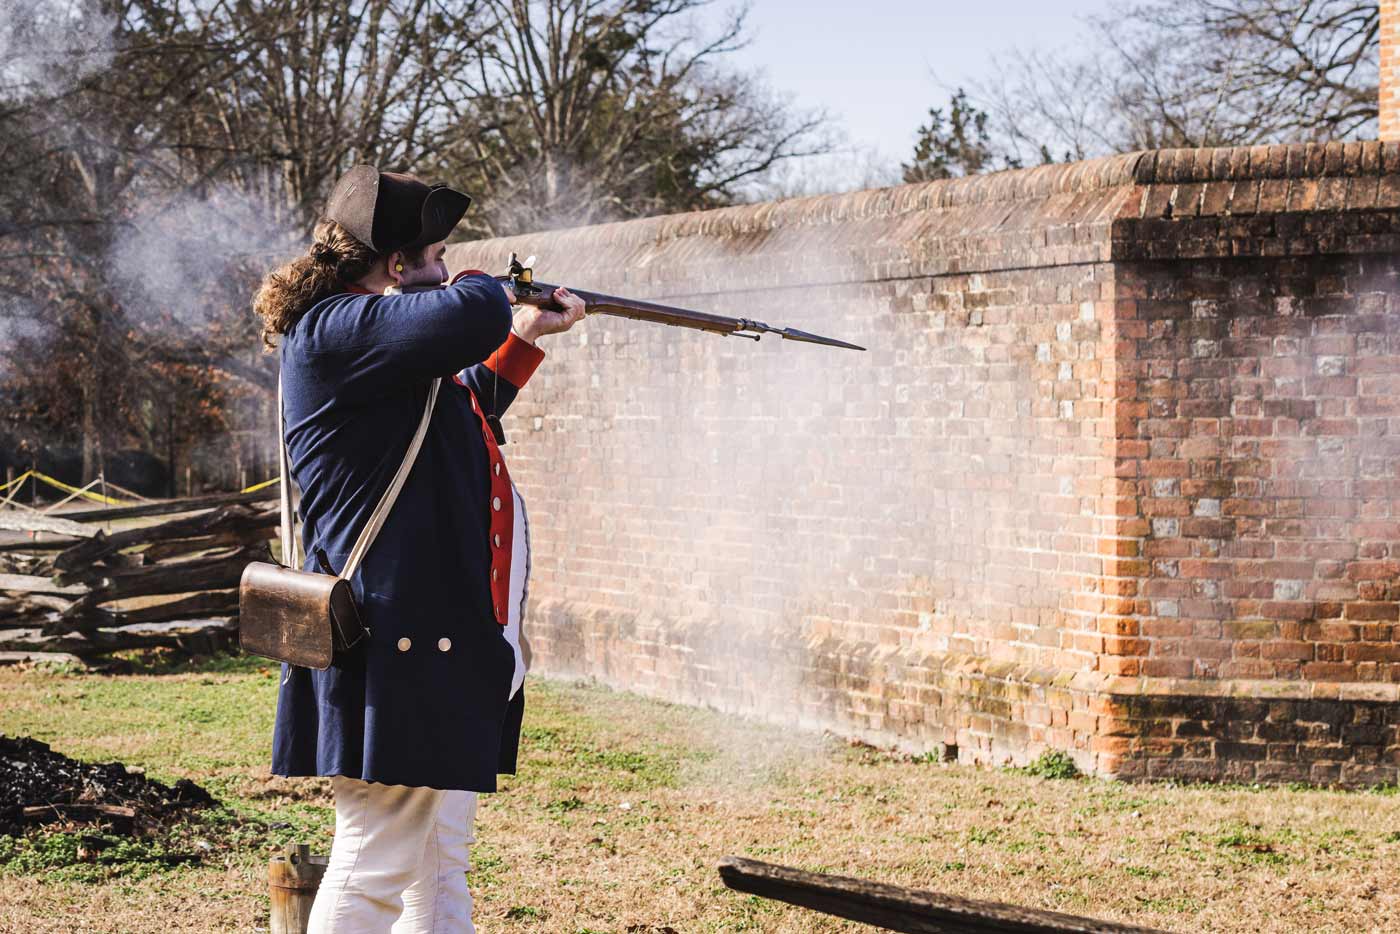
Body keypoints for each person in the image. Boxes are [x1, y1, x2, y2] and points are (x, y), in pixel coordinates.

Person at [251, 165, 585, 933]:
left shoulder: (373, 340)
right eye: (432, 255)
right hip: (395, 648)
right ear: (397, 265)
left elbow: (455, 406)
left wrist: (525, 332)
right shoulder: (337, 329)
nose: (441, 270)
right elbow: (464, 314)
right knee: (373, 869)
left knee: (438, 864)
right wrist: (493, 285)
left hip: (438, 648)